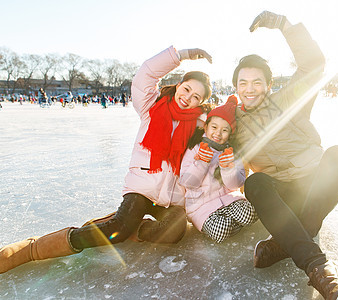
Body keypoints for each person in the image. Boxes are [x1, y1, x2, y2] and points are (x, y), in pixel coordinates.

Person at [0, 46, 213, 274]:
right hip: (142, 189)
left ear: (200, 103)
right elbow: (146, 74)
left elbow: (225, 125)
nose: (187, 97)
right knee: (118, 230)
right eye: (187, 89)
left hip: (172, 197)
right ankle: (34, 249)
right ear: (178, 85)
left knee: (176, 230)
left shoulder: (199, 125)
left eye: (195, 97)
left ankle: (132, 227)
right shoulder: (152, 107)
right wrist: (182, 54)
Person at [232, 11, 338, 300]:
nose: (250, 89)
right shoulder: (234, 124)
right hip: (283, 195)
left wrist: (283, 25)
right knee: (255, 183)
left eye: (256, 82)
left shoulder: (288, 99)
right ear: (236, 87)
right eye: (243, 83)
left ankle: (287, 242)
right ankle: (320, 267)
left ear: (267, 84)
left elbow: (313, 64)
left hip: (314, 184)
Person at [179, 96, 257, 243]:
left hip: (228, 199)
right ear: (206, 126)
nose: (218, 133)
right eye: (214, 127)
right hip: (201, 206)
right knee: (221, 230)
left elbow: (236, 184)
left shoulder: (232, 152)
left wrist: (228, 168)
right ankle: (226, 224)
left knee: (250, 212)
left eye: (224, 130)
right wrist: (201, 162)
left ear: (230, 133)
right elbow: (188, 183)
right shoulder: (195, 148)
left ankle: (230, 222)